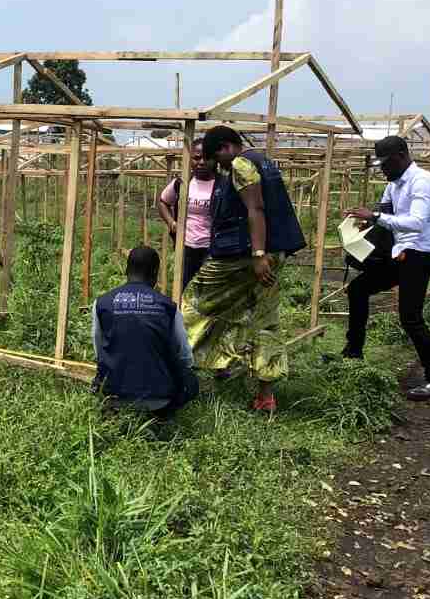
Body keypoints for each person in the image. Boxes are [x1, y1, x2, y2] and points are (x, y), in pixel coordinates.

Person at [183, 125, 306, 414]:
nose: (218, 166)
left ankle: (170, 364)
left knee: (195, 305)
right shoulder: (263, 160)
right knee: (264, 319)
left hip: (242, 256)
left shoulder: (241, 163)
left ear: (227, 147)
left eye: (216, 158)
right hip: (273, 252)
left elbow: (256, 209)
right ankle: (265, 396)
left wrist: (258, 254)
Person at [343, 135, 430, 402]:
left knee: (410, 317)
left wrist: (376, 217)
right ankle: (353, 354)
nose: (383, 169)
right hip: (402, 252)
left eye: (386, 163)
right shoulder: (393, 185)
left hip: (422, 253)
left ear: (402, 155)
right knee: (358, 288)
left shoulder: (421, 181)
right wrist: (363, 230)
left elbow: (415, 222)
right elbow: (385, 218)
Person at [92, 246, 198, 422]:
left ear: (126, 270)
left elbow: (99, 351)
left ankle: (112, 410)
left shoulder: (102, 303)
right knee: (191, 382)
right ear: (155, 272)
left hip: (114, 394)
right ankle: (162, 417)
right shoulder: (168, 307)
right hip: (159, 398)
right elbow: (185, 356)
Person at [156, 139, 217, 290]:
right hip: (185, 246)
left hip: (212, 248)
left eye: (206, 158)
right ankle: (180, 312)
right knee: (183, 285)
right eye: (196, 158)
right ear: (190, 160)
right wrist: (171, 222)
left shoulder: (222, 184)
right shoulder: (182, 183)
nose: (201, 162)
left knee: (208, 290)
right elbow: (163, 202)